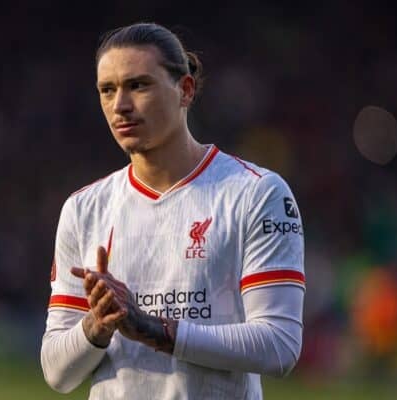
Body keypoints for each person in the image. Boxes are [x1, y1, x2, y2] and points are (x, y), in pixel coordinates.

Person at [41, 22, 305, 399]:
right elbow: (56, 373)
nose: (120, 105)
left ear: (185, 90)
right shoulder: (84, 209)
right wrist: (96, 326)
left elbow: (280, 345)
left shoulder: (257, 193)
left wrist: (157, 330)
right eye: (107, 90)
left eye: (139, 85)